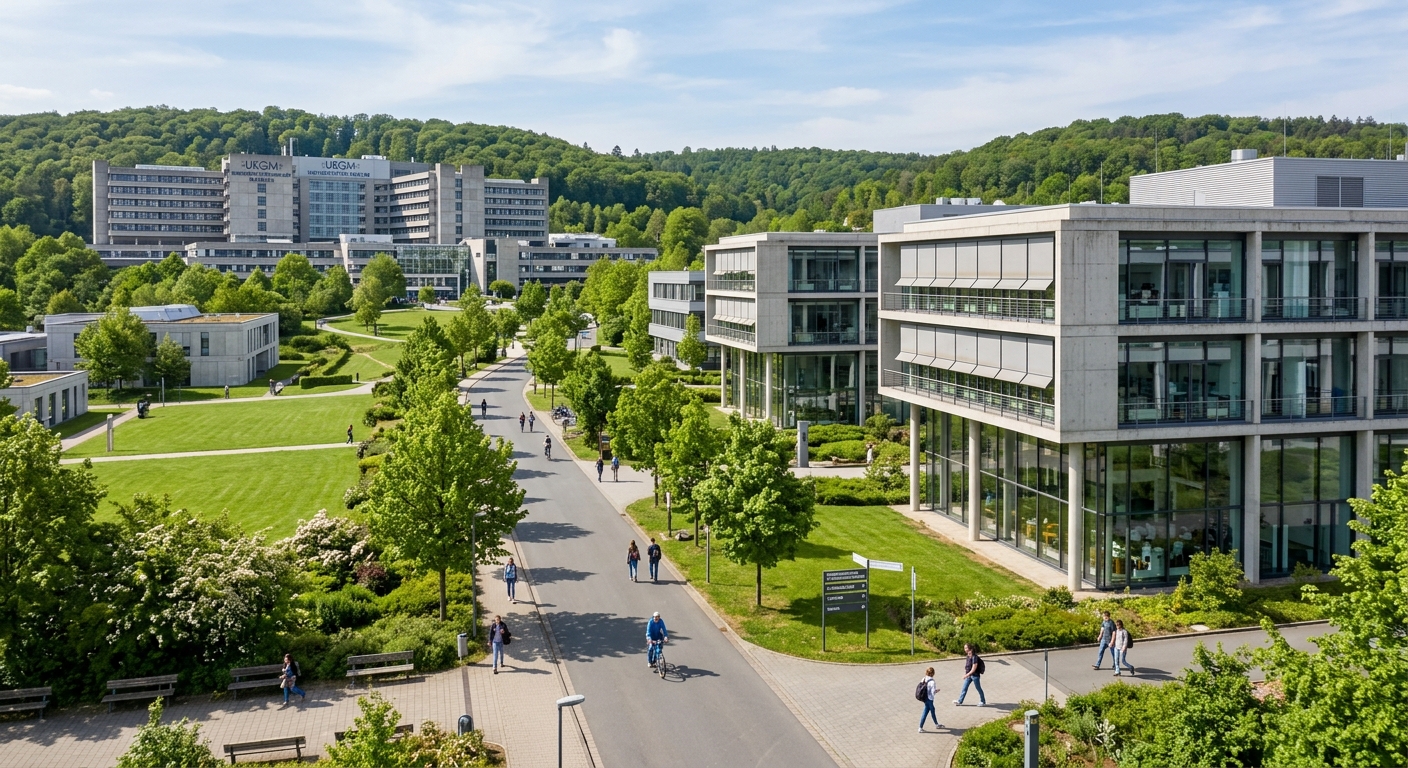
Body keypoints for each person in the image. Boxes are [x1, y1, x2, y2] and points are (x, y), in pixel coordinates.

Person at [917, 666, 940, 732]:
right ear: (933, 673)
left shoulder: (923, 679)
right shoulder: (932, 682)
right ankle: (936, 724)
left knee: (926, 711)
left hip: (924, 698)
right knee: (932, 710)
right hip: (929, 699)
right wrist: (936, 691)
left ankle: (920, 727)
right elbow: (933, 692)